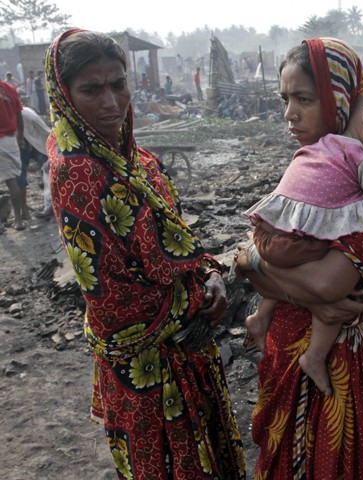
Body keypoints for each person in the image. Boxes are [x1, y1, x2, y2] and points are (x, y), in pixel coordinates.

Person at [45, 29, 246, 479]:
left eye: (118, 84)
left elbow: (178, 243)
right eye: (91, 89)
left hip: (182, 348)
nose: (110, 102)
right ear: (63, 94)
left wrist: (210, 274)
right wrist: (200, 300)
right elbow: (111, 300)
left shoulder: (134, 159)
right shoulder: (77, 173)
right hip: (146, 365)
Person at [235, 37, 363, 479]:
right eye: (285, 99)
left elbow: (324, 284)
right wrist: (258, 264)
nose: (290, 114)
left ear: (344, 101)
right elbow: (259, 258)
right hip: (288, 342)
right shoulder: (316, 165)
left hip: (339, 361)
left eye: (305, 99)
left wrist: (256, 265)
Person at [241, 89, 363, 395]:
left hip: (268, 239)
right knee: (317, 252)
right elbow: (328, 294)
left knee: (304, 252)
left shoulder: (323, 150)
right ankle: (315, 357)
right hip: (320, 354)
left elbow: (250, 265)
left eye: (306, 99)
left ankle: (261, 316)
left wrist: (255, 258)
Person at [0, 75, 26, 232]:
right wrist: (21, 138)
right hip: (10, 140)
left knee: (10, 182)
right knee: (12, 181)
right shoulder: (9, 89)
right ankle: (18, 219)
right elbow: (19, 114)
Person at [17, 107, 51, 221]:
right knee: (19, 176)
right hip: (20, 145)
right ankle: (23, 209)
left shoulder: (28, 115)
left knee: (48, 173)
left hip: (38, 145)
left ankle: (50, 206)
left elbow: (46, 132)